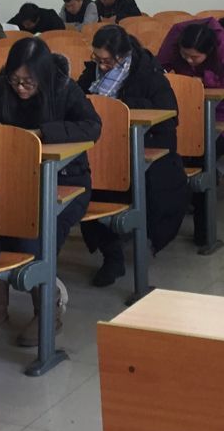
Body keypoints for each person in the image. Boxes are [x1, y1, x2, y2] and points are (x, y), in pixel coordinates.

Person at [0, 38, 100, 346]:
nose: (21, 88)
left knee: (33, 230)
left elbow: (92, 126)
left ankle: (47, 309)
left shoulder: (65, 90)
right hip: (12, 181)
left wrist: (41, 134)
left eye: (29, 82)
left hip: (65, 182)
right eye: (15, 81)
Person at [76, 25, 189, 285]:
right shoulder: (91, 74)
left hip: (146, 144)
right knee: (82, 185)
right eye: (97, 59)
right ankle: (111, 255)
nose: (102, 66)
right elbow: (77, 101)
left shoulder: (148, 73)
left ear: (123, 55)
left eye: (107, 61)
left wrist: (119, 109)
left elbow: (169, 115)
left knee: (154, 184)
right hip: (102, 148)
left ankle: (143, 241)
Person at [157, 18, 224, 162]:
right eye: (184, 55)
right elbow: (159, 68)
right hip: (187, 111)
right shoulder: (176, 36)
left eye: (194, 57)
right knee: (171, 149)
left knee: (197, 152)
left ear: (209, 52)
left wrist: (206, 79)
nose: (189, 60)